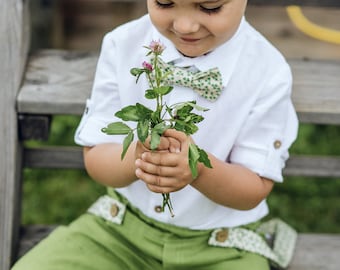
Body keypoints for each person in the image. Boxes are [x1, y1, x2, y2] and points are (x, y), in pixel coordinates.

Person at [12, 0, 298, 269]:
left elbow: (253, 189)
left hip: (220, 246)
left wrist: (197, 169)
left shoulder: (268, 71)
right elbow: (97, 158)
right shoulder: (123, 45)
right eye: (164, 3)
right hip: (118, 230)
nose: (185, 25)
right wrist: (139, 156)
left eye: (209, 7)